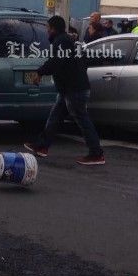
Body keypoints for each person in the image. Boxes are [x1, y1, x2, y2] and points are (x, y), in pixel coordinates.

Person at [24, 16, 105, 165]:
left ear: (54, 28)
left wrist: (40, 73)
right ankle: (42, 146)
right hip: (69, 88)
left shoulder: (61, 41)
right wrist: (41, 71)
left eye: (48, 27)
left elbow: (55, 62)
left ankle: (96, 153)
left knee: (82, 120)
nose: (47, 30)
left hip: (74, 89)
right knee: (54, 116)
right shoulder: (63, 40)